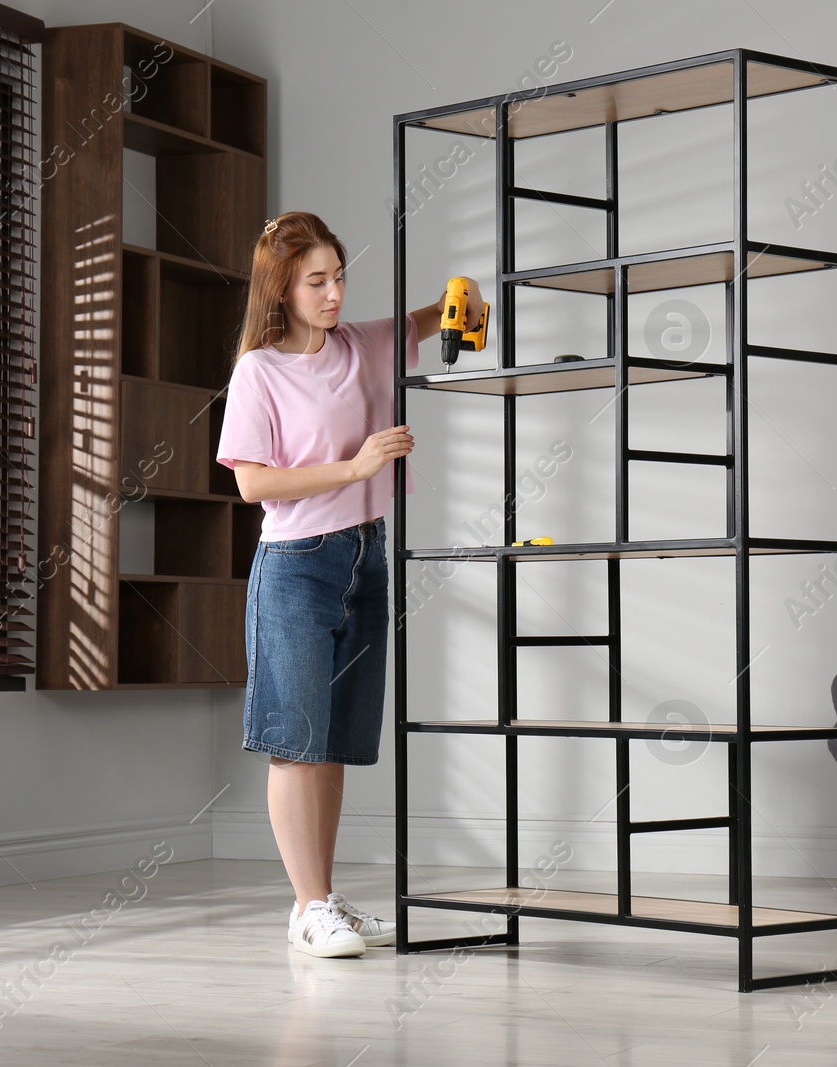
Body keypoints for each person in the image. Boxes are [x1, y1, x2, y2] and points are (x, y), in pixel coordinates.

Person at [215, 211, 483, 958]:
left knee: (330, 742)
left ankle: (323, 899)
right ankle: (306, 907)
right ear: (282, 289)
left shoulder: (363, 342)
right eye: (317, 281)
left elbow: (434, 314)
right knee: (295, 744)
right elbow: (253, 483)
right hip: (298, 564)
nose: (335, 293)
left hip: (367, 557)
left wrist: (464, 298)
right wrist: (359, 466)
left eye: (339, 276)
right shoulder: (260, 370)